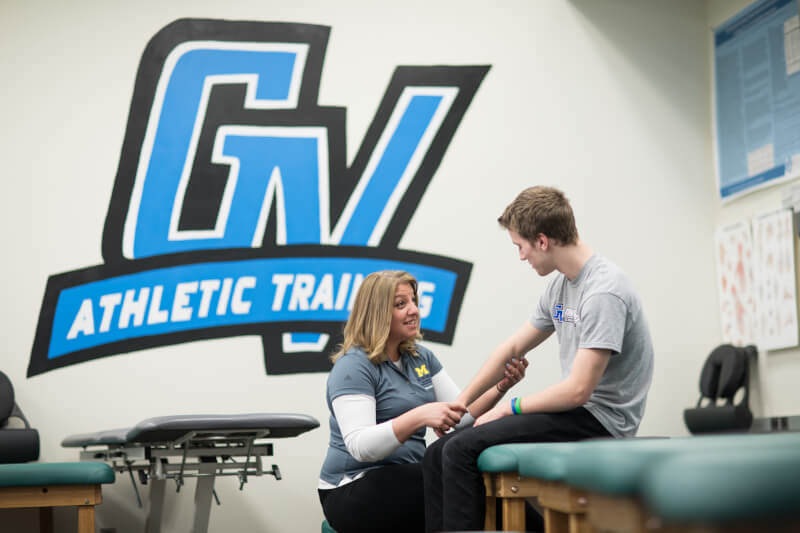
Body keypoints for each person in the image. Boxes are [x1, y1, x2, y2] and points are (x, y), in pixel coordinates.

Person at [422, 186, 655, 532]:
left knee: (459, 452)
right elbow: (512, 348)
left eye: (520, 246)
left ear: (542, 241)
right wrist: (462, 405)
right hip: (577, 413)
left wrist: (508, 407)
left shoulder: (604, 291)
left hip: (602, 421)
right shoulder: (560, 287)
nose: (521, 257)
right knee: (438, 451)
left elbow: (578, 391)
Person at [317, 270, 528, 533]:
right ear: (376, 312)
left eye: (414, 301)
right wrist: (420, 416)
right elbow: (361, 447)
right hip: (352, 489)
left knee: (469, 479)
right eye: (401, 304)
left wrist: (500, 387)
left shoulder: (421, 358)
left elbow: (460, 418)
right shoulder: (354, 366)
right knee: (450, 477)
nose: (414, 310)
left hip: (408, 478)